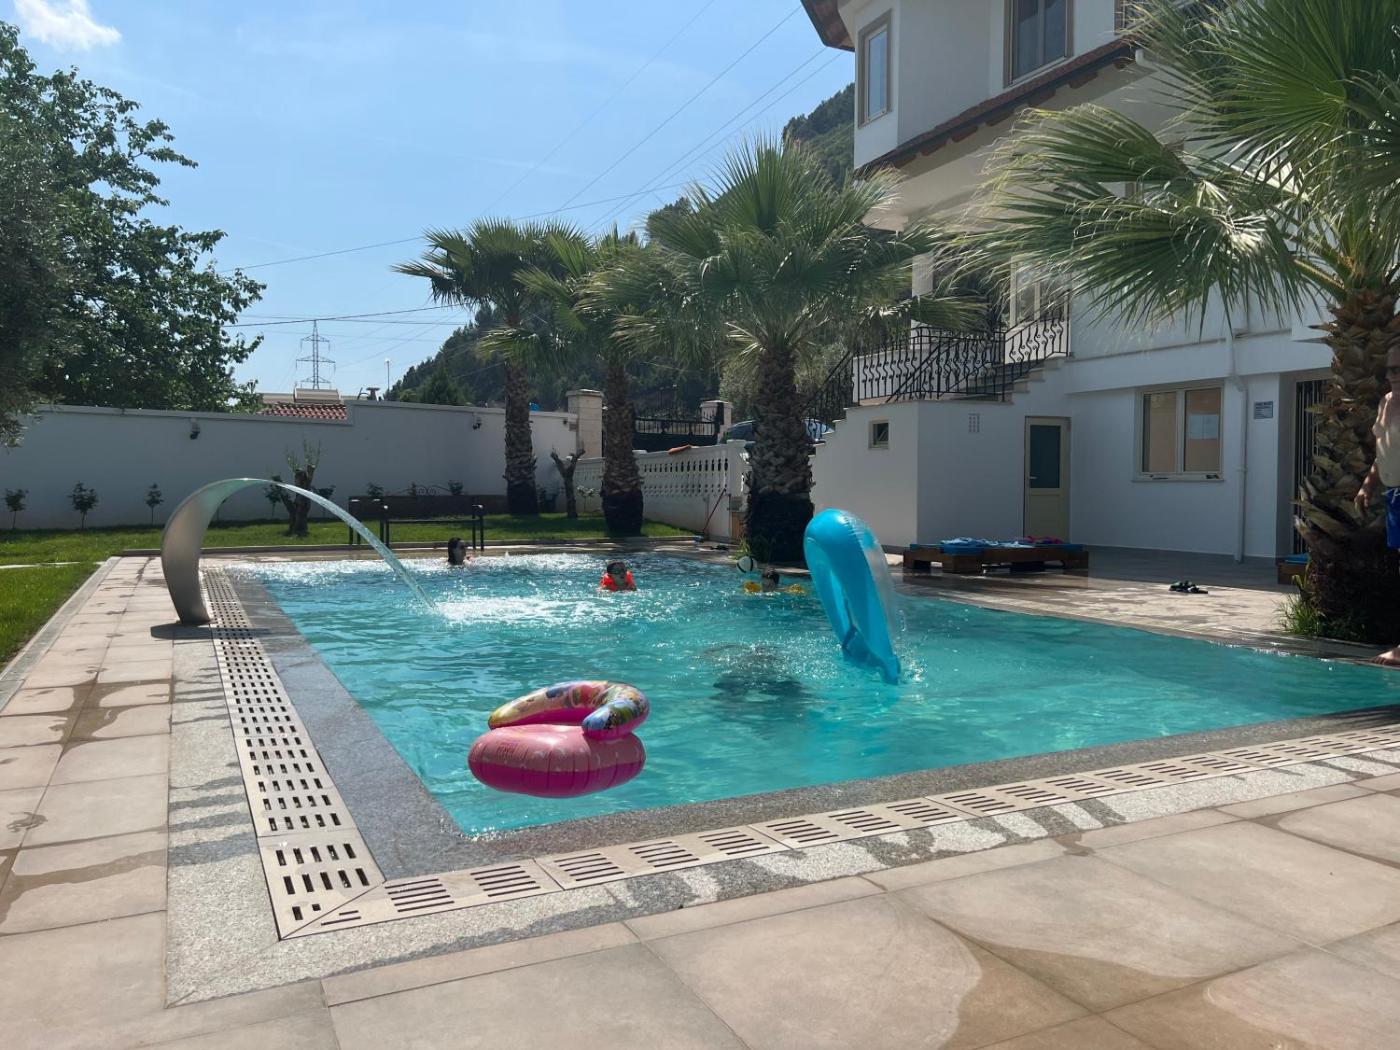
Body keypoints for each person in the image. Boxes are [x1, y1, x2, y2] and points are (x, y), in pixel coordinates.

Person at [1354, 346, 1400, 665]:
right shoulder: (1386, 402)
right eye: (1390, 369)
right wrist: (1367, 486)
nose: (1394, 375)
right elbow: (1384, 451)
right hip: (1393, 495)